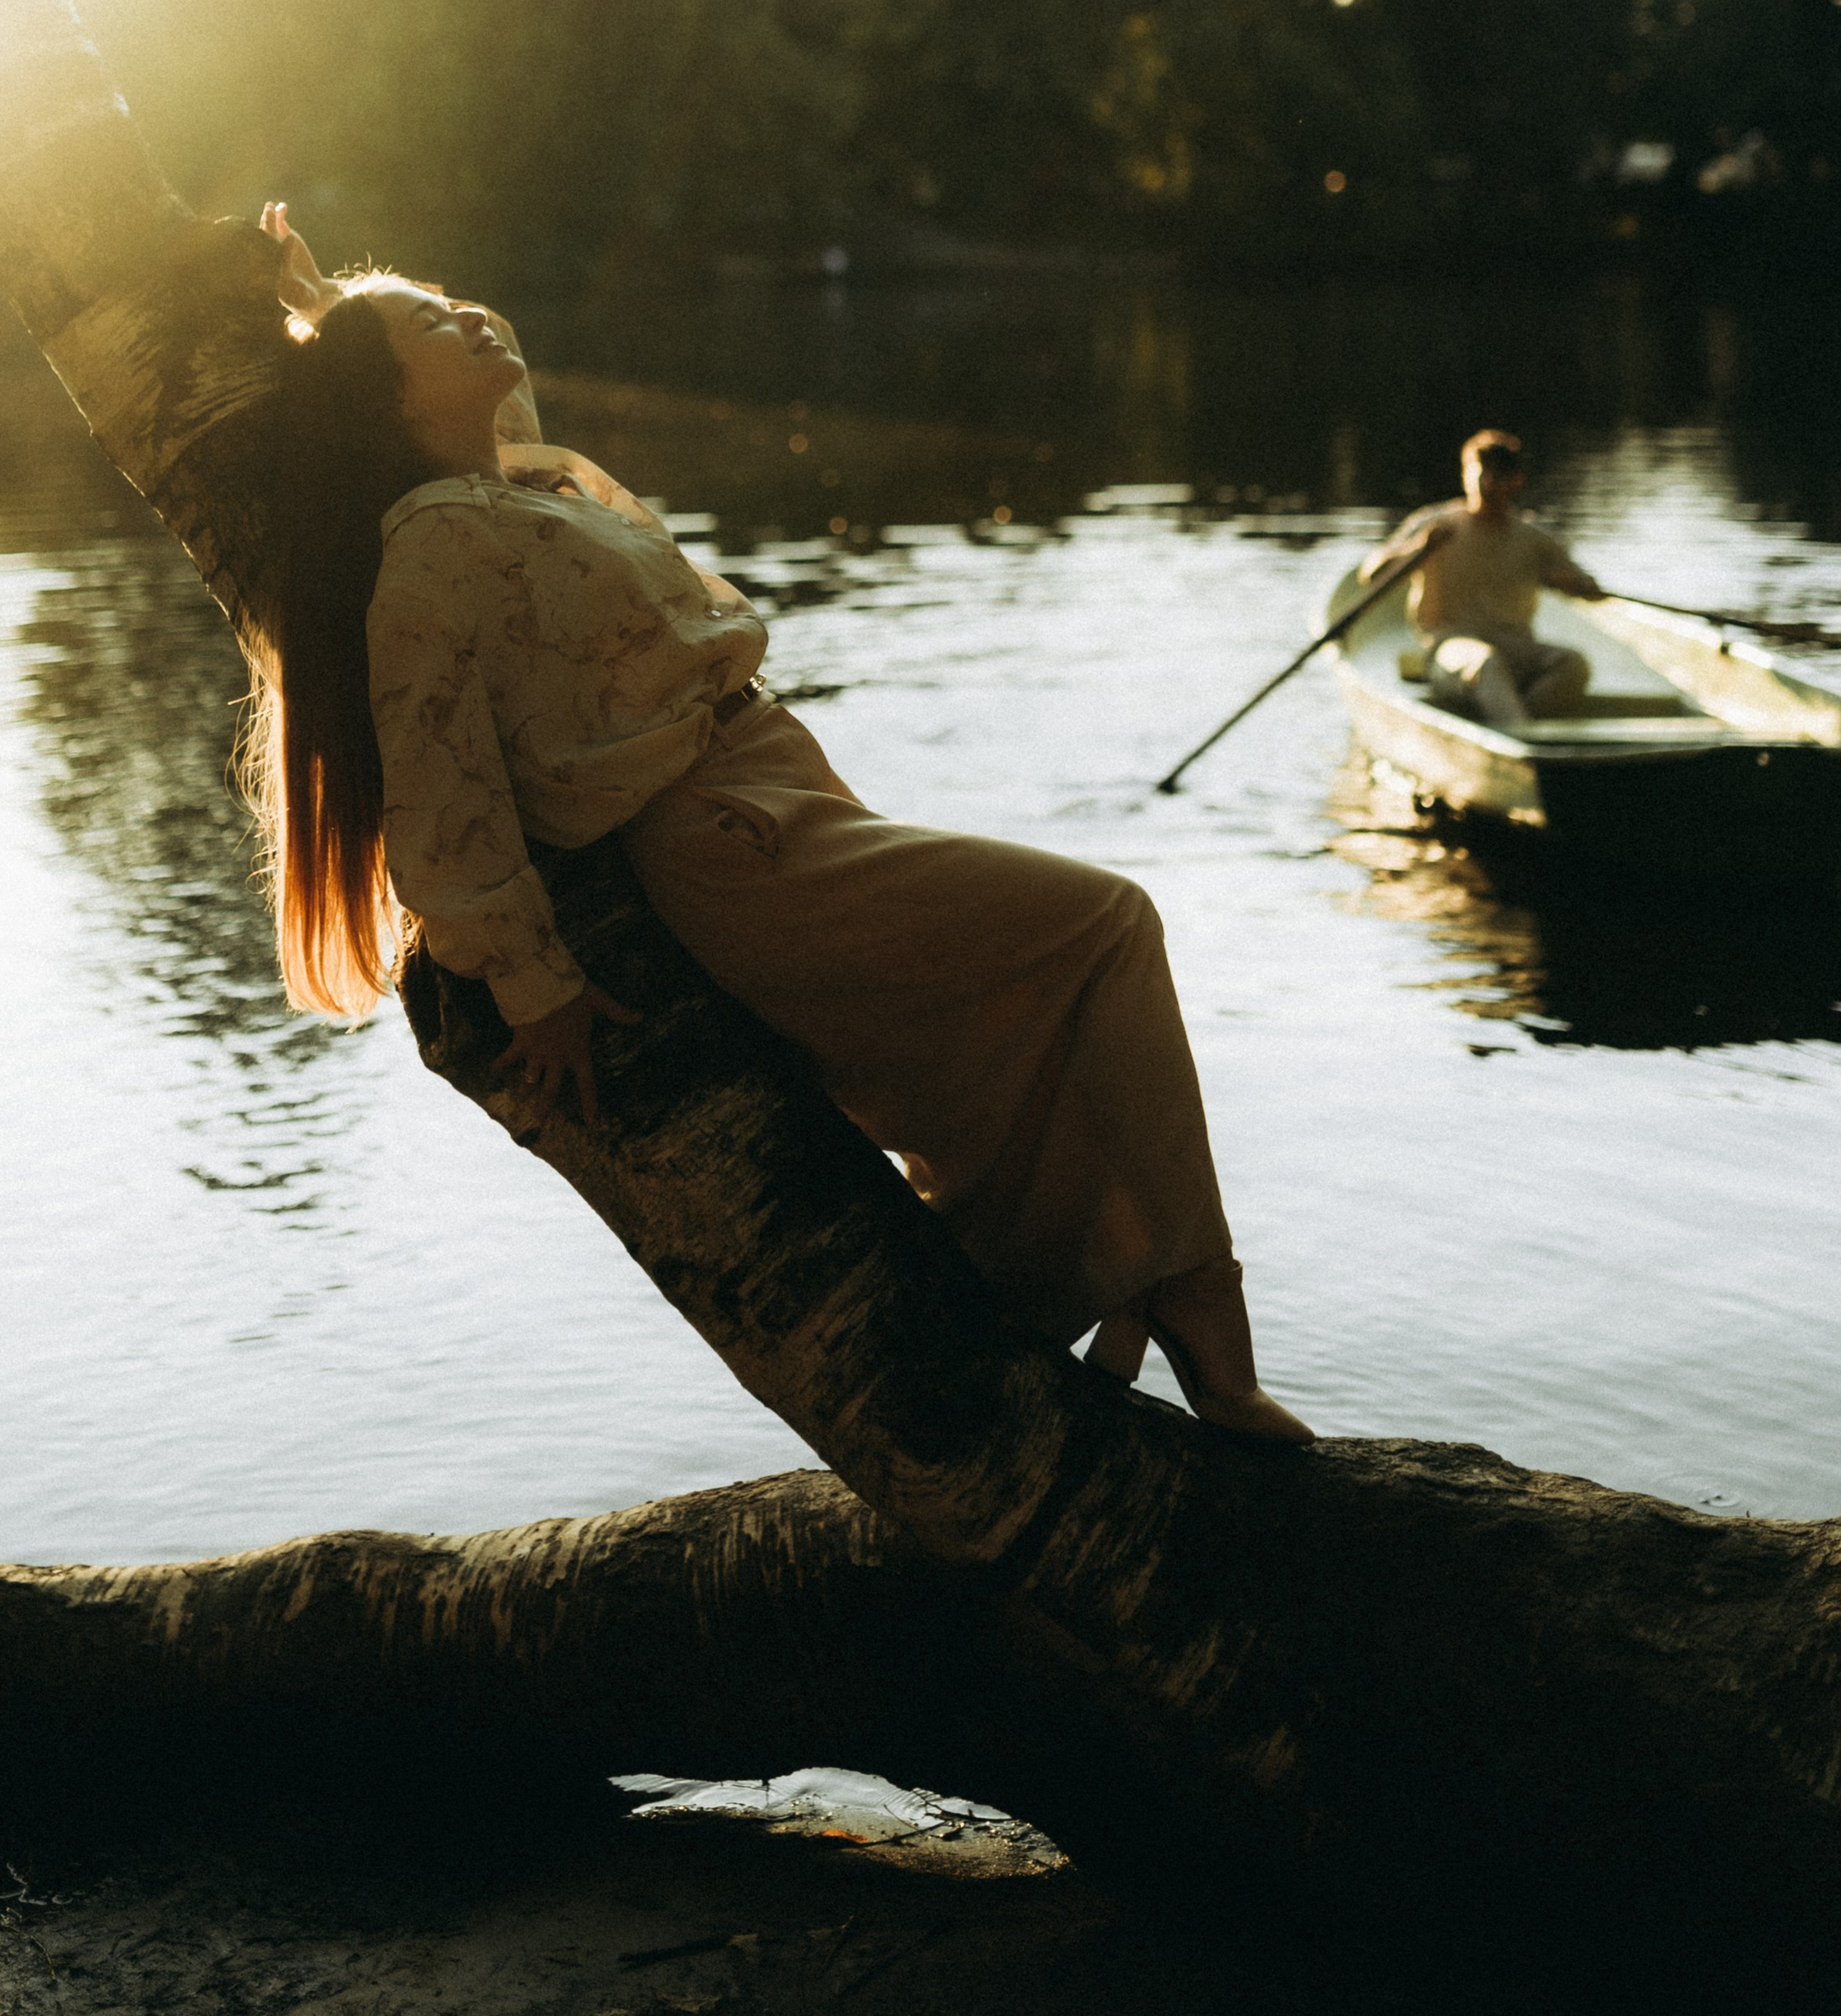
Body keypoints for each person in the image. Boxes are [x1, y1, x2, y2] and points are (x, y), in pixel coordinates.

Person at [236, 204, 1312, 1444]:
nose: (465, 310)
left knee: (1035, 1007)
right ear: (387, 400)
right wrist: (539, 987)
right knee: (1105, 924)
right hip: (734, 837)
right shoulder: (427, 552)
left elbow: (497, 369)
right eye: (430, 320)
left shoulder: (502, 483)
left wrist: (325, 305)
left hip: (776, 780)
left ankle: (1131, 1293)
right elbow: (438, 790)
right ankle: (1211, 1352)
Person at [1359, 428, 1602, 729]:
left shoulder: (1533, 539)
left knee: (1573, 665)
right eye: (1481, 474)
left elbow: (1591, 590)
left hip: (1515, 649)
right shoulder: (1436, 524)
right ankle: (1519, 734)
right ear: (1466, 475)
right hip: (1449, 647)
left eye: (1499, 477)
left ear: (1516, 481)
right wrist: (1419, 549)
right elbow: (1371, 574)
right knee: (1486, 662)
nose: (1488, 484)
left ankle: (1511, 725)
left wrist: (1575, 585)